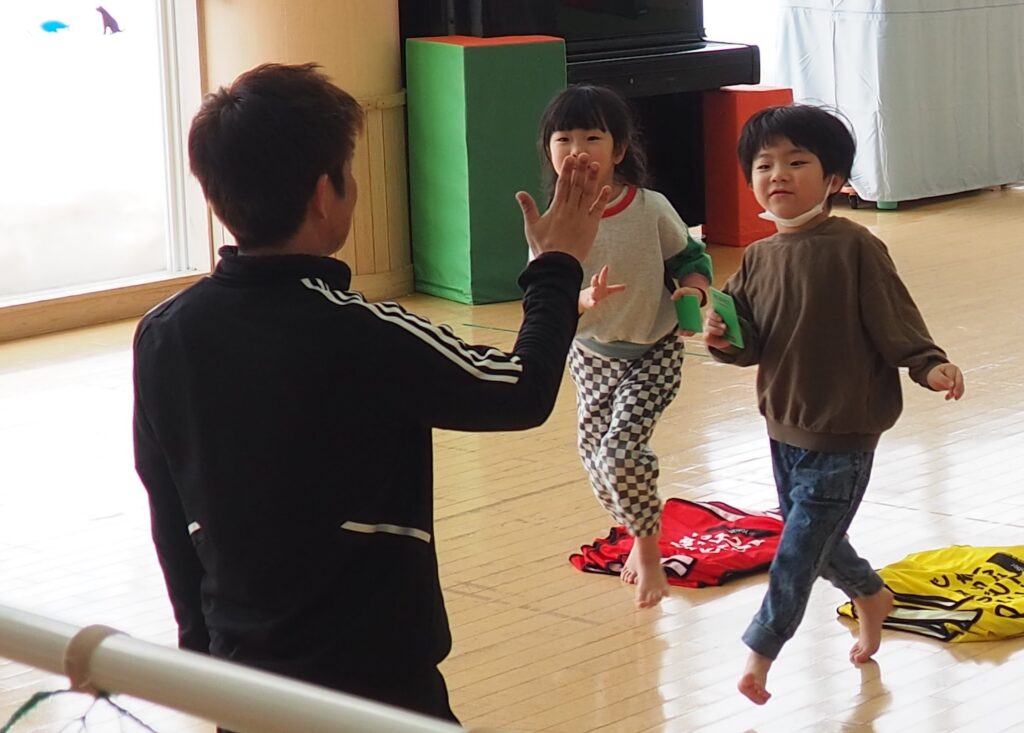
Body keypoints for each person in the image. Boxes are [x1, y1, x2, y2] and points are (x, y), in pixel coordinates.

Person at [132, 62, 610, 724]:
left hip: (240, 682)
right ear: (324, 194)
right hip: (378, 688)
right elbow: (519, 389)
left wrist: (203, 667)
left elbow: (171, 518)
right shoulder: (363, 333)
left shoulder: (163, 334)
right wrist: (557, 266)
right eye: (349, 172)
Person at [703, 104, 966, 705]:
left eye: (797, 162)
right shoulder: (758, 257)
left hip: (844, 429)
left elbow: (895, 319)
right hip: (782, 426)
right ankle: (872, 595)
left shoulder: (855, 246)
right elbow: (747, 344)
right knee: (816, 539)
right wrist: (722, 337)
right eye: (764, 164)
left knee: (796, 552)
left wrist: (928, 364)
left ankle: (759, 654)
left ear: (833, 179)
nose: (779, 174)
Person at [537, 84, 713, 608]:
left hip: (653, 350)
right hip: (590, 354)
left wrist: (693, 293)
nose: (577, 150)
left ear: (618, 150)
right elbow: (544, 295)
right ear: (549, 151)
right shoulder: (552, 224)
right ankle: (638, 528)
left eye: (592, 137)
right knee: (595, 458)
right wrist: (581, 297)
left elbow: (691, 260)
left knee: (620, 453)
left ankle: (649, 548)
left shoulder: (649, 208)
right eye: (564, 139)